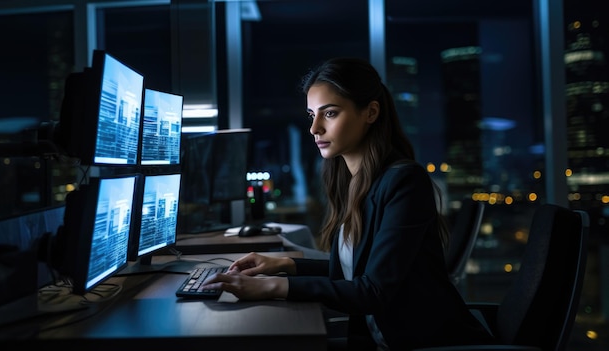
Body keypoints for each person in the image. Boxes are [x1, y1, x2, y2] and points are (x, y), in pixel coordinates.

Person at [201, 57, 494, 350]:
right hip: (379, 337)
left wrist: (271, 285)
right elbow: (355, 271)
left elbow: (373, 290)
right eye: (311, 115)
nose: (314, 128)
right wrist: (283, 265)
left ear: (371, 112)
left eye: (329, 113)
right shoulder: (352, 181)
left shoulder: (405, 182)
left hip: (421, 344)